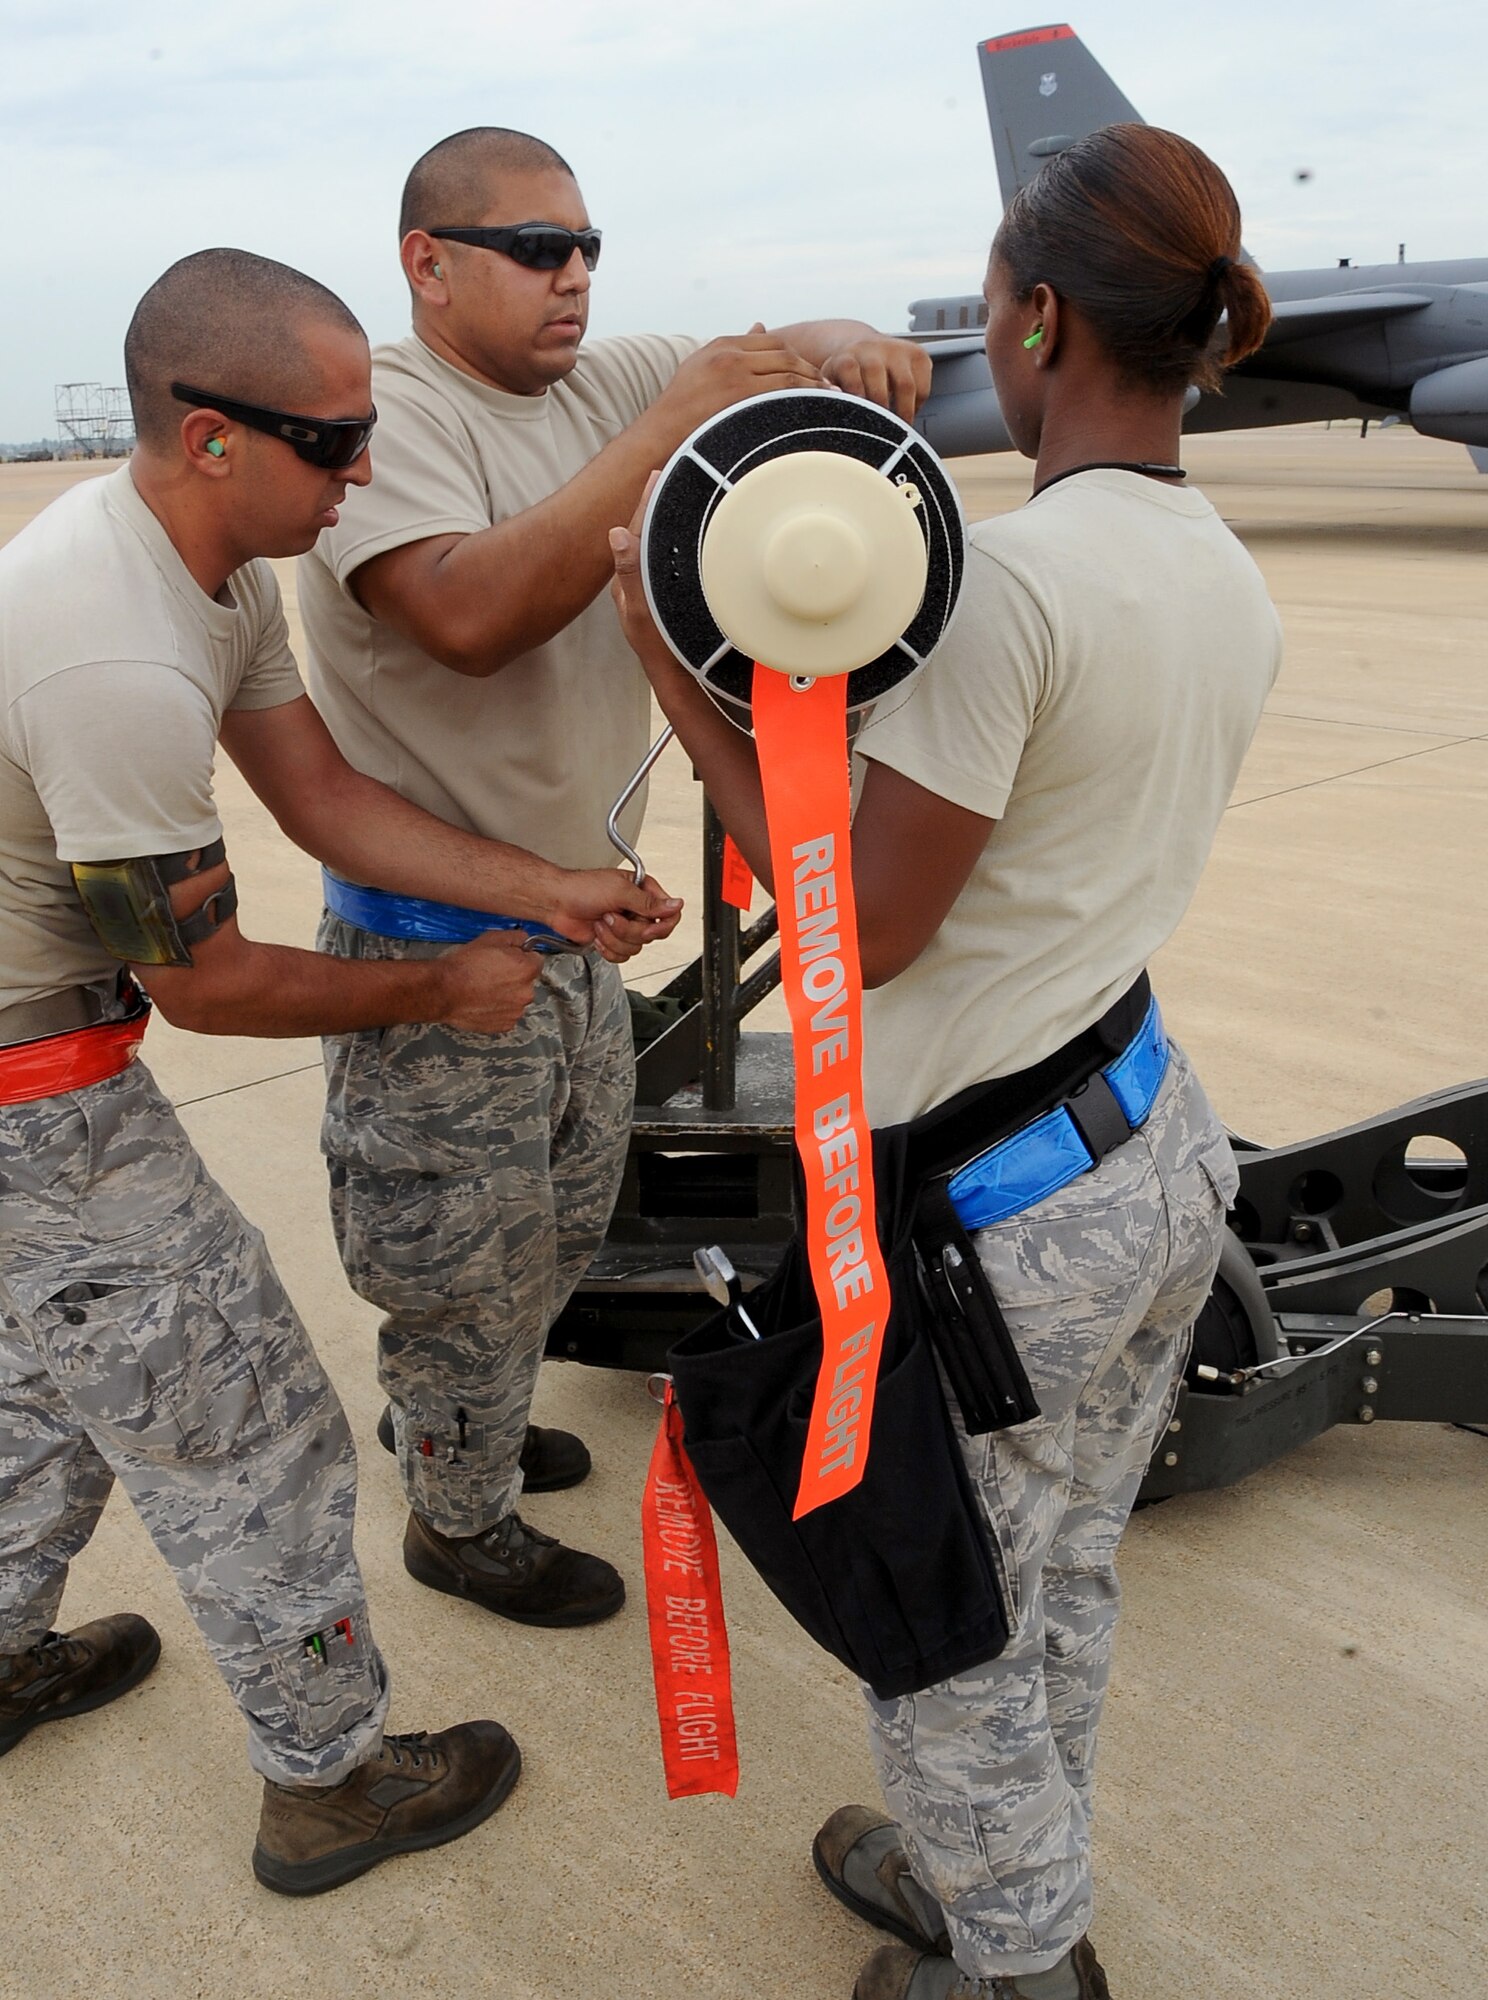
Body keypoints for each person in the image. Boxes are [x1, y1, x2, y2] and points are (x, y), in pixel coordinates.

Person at [610, 124, 1280, 2000]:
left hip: (1004, 1225)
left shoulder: (1016, 587)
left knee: (949, 1624)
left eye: (990, 301)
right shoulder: (1218, 567)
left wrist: (672, 672)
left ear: (1042, 317)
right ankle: (1004, 1865)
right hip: (1146, 1145)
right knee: (1060, 1567)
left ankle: (1014, 1960)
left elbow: (861, 928)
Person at [0, 247, 677, 1896]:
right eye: (331, 441)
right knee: (254, 1427)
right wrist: (436, 988)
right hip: (39, 1101)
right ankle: (328, 1781)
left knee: (49, 1392)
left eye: (368, 428)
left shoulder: (217, 575)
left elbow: (322, 799)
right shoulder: (114, 652)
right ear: (212, 435)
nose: (364, 470)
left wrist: (544, 890)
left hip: (44, 1059)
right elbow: (208, 978)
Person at [296, 125, 933, 1629]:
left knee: (561, 1227)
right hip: (433, 950)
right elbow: (466, 614)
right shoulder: (389, 413)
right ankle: (460, 1519)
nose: (571, 277)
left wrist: (841, 345)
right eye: (534, 249)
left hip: (568, 920)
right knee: (459, 1256)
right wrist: (669, 429)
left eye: (587, 249)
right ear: (428, 264)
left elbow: (755, 355)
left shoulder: (593, 374)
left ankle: (472, 1425)